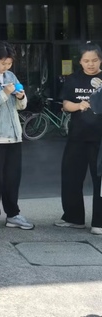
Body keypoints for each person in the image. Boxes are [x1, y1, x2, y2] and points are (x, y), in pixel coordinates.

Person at [0, 42, 33, 234]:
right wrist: (4, 93)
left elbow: (21, 106)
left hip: (14, 135)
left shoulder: (11, 76)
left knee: (13, 178)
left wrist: (21, 97)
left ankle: (13, 214)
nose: (6, 67)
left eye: (9, 63)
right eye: (3, 63)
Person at [55, 42, 102, 235]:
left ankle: (99, 223)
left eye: (94, 60)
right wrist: (79, 105)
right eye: (86, 61)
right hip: (77, 137)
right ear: (80, 61)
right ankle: (74, 218)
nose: (91, 64)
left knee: (100, 181)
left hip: (100, 139)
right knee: (71, 177)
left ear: (100, 60)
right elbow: (66, 104)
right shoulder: (73, 79)